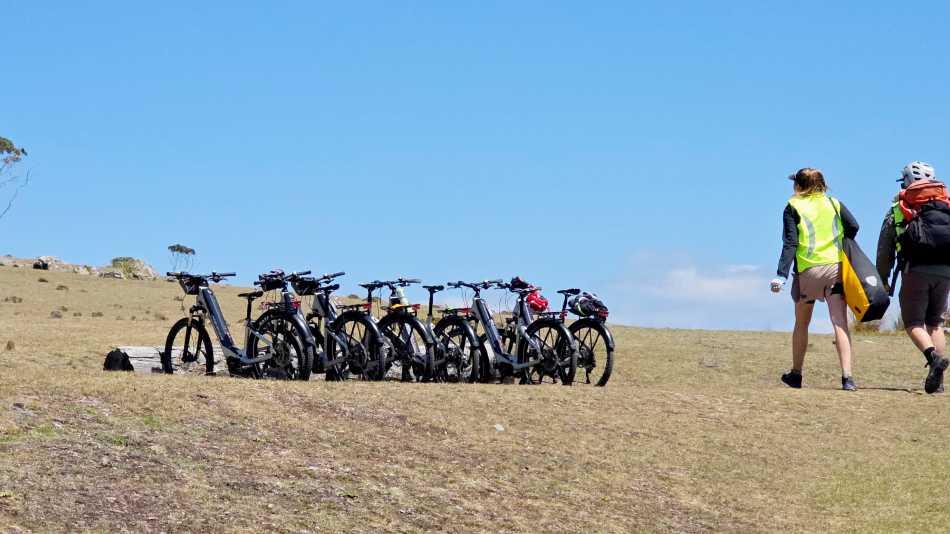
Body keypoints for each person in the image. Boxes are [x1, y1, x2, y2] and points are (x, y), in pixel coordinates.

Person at [770, 168, 859, 391]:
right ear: (822, 184)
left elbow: (790, 242)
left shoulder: (793, 206)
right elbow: (854, 226)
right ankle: (847, 378)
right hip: (835, 268)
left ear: (798, 186)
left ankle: (796, 374)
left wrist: (781, 275)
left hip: (808, 271)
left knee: (802, 322)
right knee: (839, 322)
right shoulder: (833, 203)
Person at [876, 161, 950, 394]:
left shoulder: (898, 208)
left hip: (915, 269)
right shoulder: (946, 204)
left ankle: (933, 359)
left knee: (913, 323)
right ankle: (938, 383)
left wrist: (883, 277)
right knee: (935, 322)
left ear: (907, 181)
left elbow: (885, 249)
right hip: (946, 270)